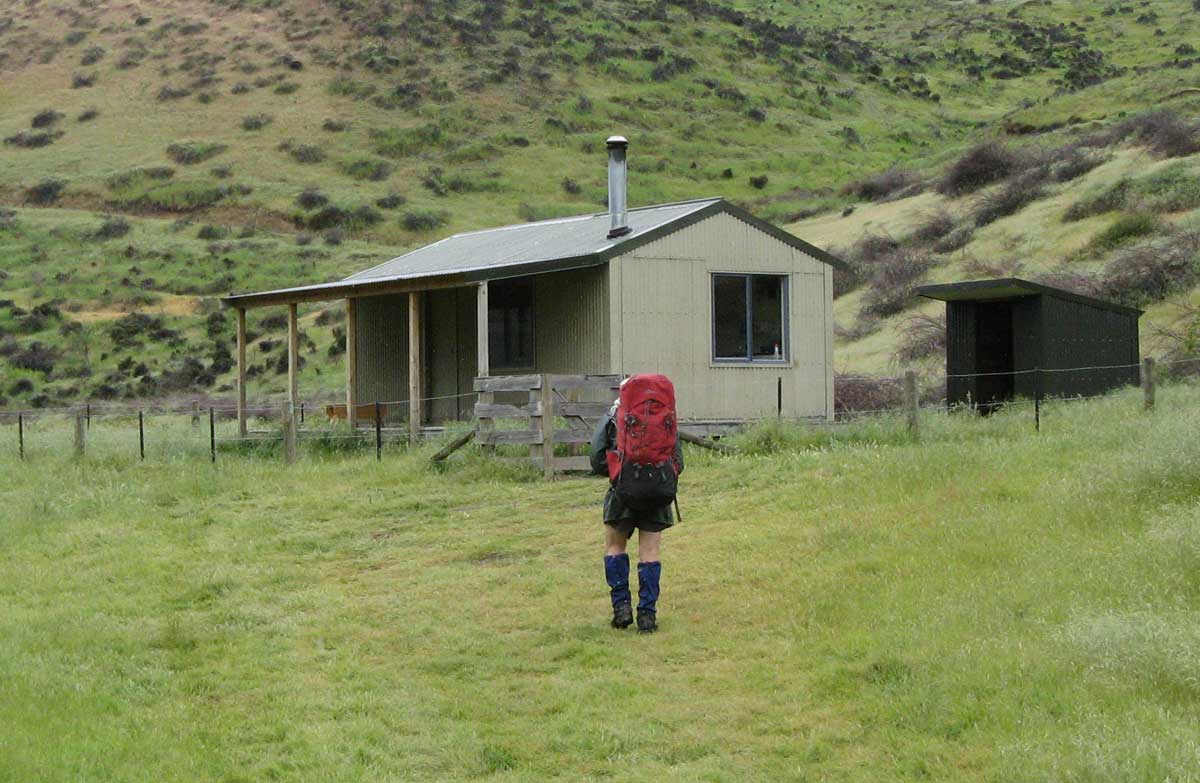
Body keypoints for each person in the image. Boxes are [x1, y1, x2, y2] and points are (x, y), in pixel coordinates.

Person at [589, 399, 683, 633]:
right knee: (650, 553)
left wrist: (618, 473)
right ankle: (647, 616)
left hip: (622, 494)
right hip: (656, 494)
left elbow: (596, 457)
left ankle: (621, 610)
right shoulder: (664, 415)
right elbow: (678, 461)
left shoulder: (614, 414)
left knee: (614, 549)